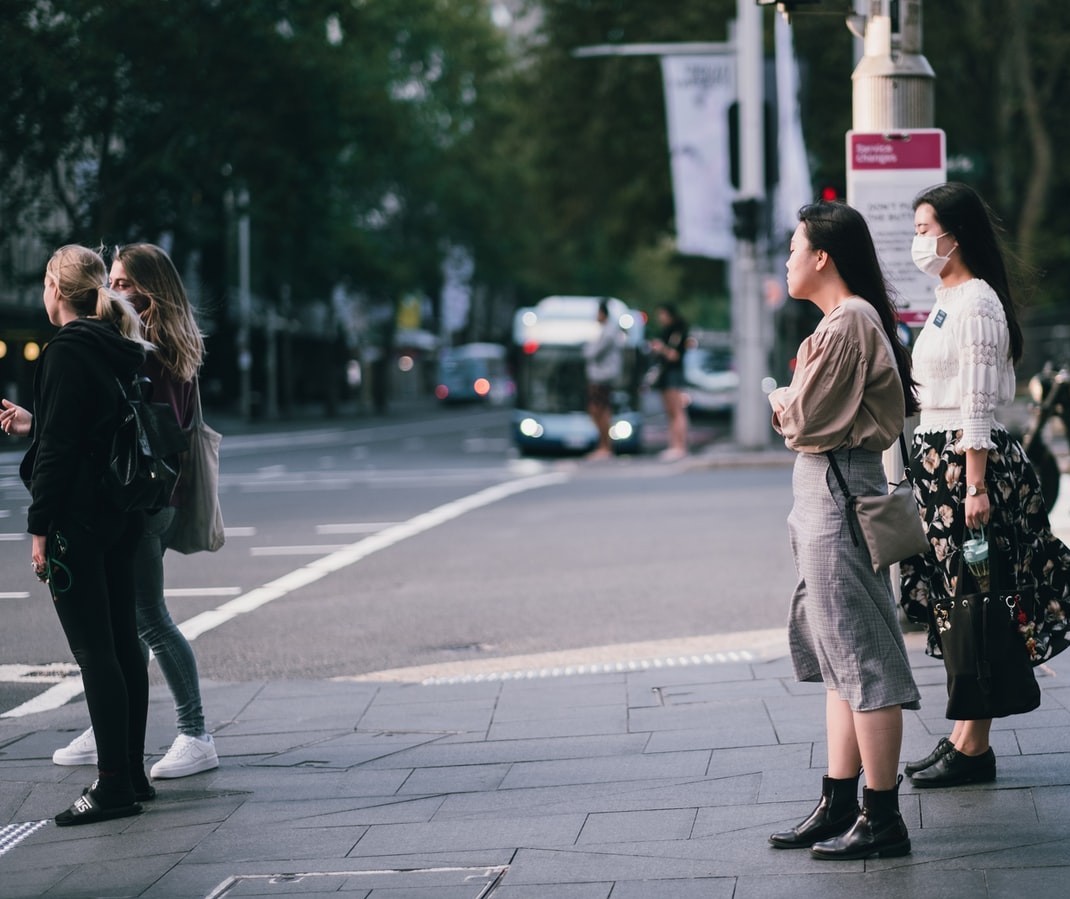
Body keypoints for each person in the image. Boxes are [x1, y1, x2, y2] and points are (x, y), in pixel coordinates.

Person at [5, 244, 220, 781]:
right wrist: (44, 423)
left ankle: (193, 731)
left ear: (150, 290)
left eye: (122, 283)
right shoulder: (154, 342)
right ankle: (112, 727)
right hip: (151, 495)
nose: (112, 291)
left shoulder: (147, 346)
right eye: (110, 281)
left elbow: (128, 428)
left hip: (141, 498)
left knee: (144, 620)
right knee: (128, 623)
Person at [900, 182, 1070, 788]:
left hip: (970, 468)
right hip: (943, 466)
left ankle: (972, 746)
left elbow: (974, 402)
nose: (919, 241)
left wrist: (974, 485)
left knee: (978, 598)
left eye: (925, 230)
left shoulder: (976, 302)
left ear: (956, 233)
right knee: (962, 601)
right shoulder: (949, 298)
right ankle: (965, 739)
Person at [766, 201, 921, 860]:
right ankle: (839, 799)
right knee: (840, 660)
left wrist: (780, 398)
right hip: (828, 494)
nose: (789, 259)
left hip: (837, 494)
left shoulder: (848, 322)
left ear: (822, 255)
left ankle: (881, 816)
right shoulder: (842, 321)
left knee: (862, 658)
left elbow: (804, 423)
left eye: (795, 247)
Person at [11, 245, 155, 825]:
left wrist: (39, 527)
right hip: (120, 514)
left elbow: (61, 453)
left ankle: (113, 785)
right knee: (123, 644)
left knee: (95, 650)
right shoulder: (114, 346)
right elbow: (85, 428)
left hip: (78, 518)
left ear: (56, 288)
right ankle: (134, 773)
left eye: (45, 283)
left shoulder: (65, 350)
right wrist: (36, 422)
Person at [582, 299, 624, 459]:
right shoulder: (607, 330)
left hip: (602, 377)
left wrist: (586, 347)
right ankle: (604, 445)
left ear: (602, 313)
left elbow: (591, 353)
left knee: (600, 409)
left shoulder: (608, 332)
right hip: (602, 376)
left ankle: (605, 446)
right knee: (597, 409)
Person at [648, 303, 689, 461]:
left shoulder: (678, 332)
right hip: (666, 375)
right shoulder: (667, 332)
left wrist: (661, 349)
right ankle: (674, 445)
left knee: (676, 411)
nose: (660, 318)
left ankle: (679, 446)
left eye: (662, 314)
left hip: (673, 374)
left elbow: (675, 355)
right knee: (670, 412)